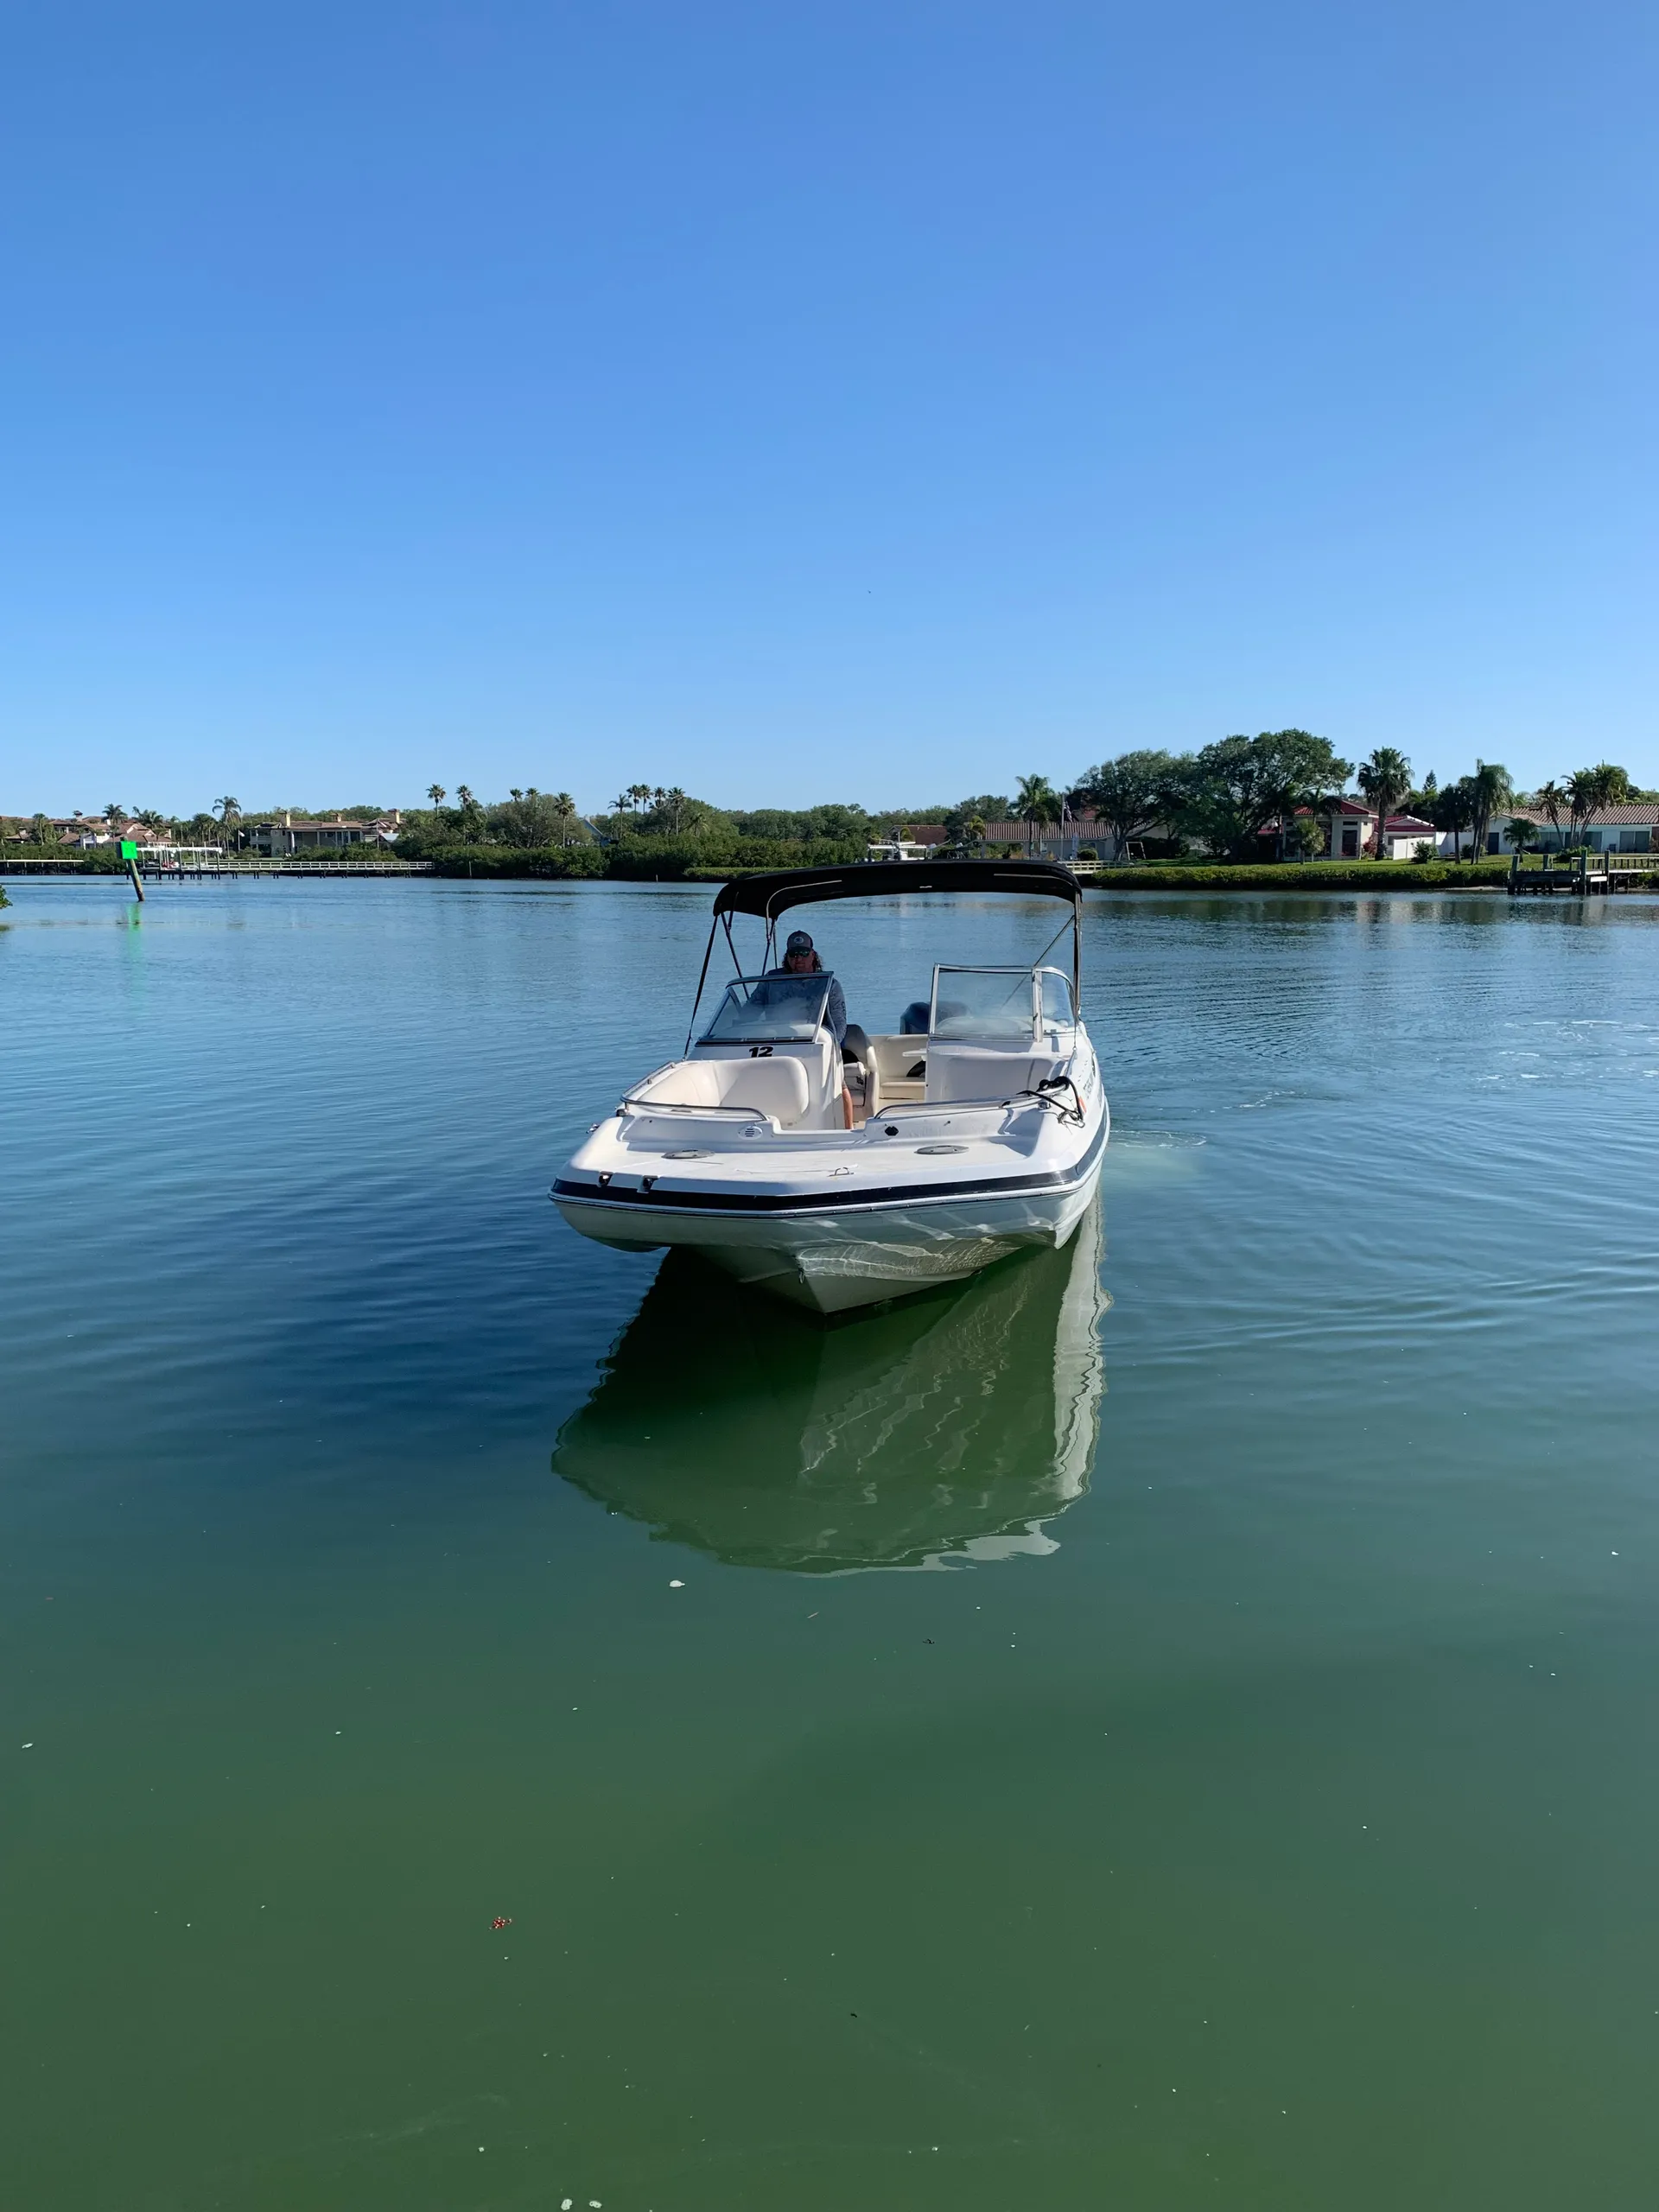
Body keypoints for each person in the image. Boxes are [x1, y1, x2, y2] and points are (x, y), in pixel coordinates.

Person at [770, 929, 854, 1128]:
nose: (798, 959)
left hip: (816, 1045)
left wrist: (828, 1045)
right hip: (779, 1043)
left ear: (813, 956)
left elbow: (840, 1025)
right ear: (787, 957)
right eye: (794, 954)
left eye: (804, 954)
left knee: (839, 1084)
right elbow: (752, 1008)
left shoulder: (830, 985)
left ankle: (849, 1129)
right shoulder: (771, 980)